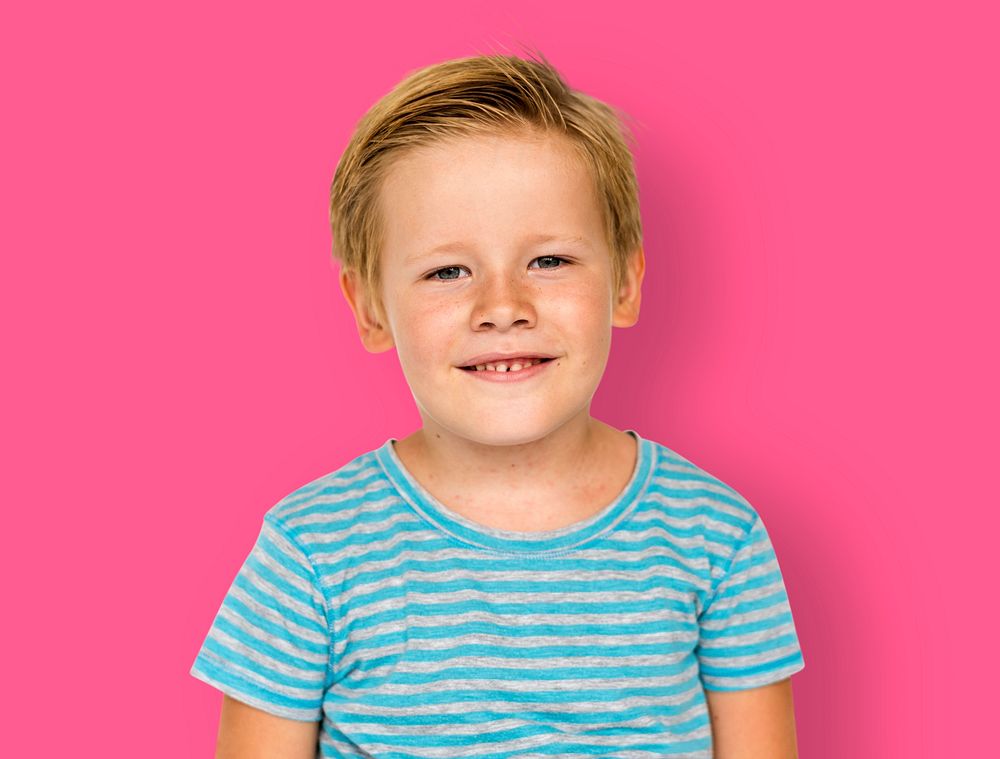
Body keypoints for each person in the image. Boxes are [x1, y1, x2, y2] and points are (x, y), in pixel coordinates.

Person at [190, 50, 805, 758]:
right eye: (447, 271)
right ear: (370, 310)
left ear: (627, 284)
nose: (503, 307)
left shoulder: (718, 539)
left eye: (549, 260)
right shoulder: (310, 554)